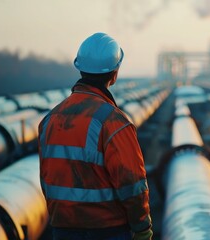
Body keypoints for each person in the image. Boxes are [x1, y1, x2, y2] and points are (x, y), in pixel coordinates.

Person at [38, 32, 152, 240]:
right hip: (109, 231)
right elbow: (132, 183)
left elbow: (46, 177)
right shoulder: (114, 122)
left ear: (80, 69)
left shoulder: (50, 120)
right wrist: (142, 226)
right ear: (114, 74)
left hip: (62, 229)